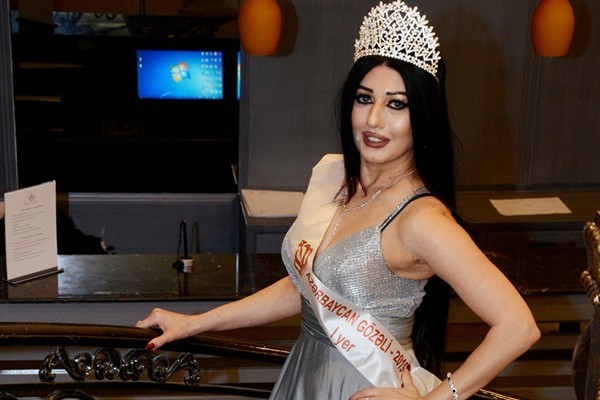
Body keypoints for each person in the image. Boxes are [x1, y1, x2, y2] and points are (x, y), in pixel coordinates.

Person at [136, 1, 540, 399]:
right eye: (364, 98)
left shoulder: (421, 219)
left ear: (424, 116)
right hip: (305, 373)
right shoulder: (335, 181)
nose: (374, 119)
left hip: (364, 385)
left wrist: (437, 399)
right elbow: (307, 288)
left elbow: (518, 327)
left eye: (396, 104)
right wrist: (196, 323)